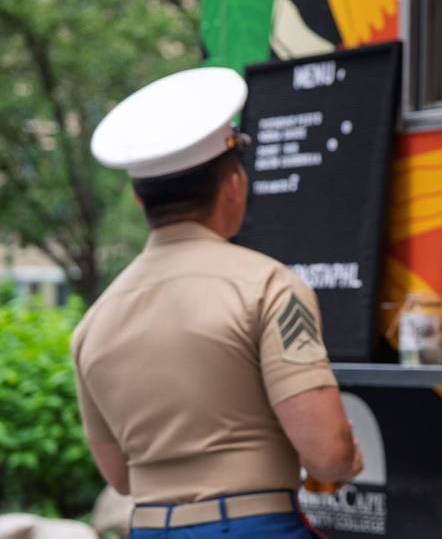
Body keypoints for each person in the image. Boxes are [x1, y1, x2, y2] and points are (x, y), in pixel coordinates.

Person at [73, 67, 362, 538]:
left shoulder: (92, 325)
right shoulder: (270, 287)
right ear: (233, 185)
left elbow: (120, 478)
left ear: (139, 199)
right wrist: (347, 456)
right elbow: (327, 451)